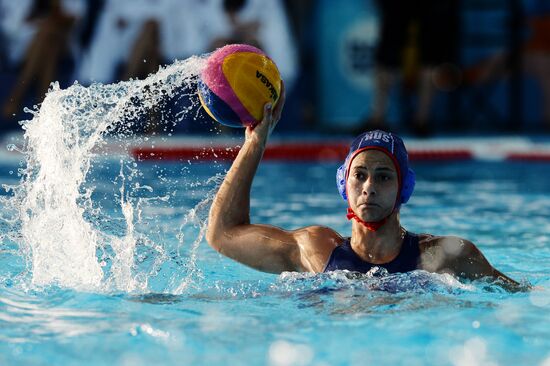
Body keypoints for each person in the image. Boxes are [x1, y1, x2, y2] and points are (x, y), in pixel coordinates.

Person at [206, 87, 519, 289]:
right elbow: (221, 234)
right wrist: (254, 145)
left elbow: (520, 295)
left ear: (404, 188)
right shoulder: (315, 250)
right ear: (344, 182)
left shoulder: (445, 255)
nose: (369, 187)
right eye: (360, 175)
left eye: (384, 177)